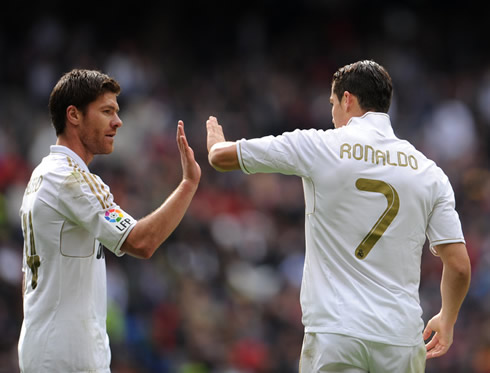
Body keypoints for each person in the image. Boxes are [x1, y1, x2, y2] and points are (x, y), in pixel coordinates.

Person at [206, 60, 471, 372]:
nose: (332, 116)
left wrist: (214, 140)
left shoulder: (319, 146)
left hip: (336, 333)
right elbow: (459, 266)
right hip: (401, 338)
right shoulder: (430, 173)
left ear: (348, 100)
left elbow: (221, 158)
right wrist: (447, 318)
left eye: (332, 104)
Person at [18, 69, 201, 372]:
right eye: (107, 111)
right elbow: (141, 241)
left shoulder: (41, 175)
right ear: (74, 115)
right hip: (70, 357)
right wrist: (188, 185)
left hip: (45, 349)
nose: (118, 121)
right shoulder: (71, 179)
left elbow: (29, 280)